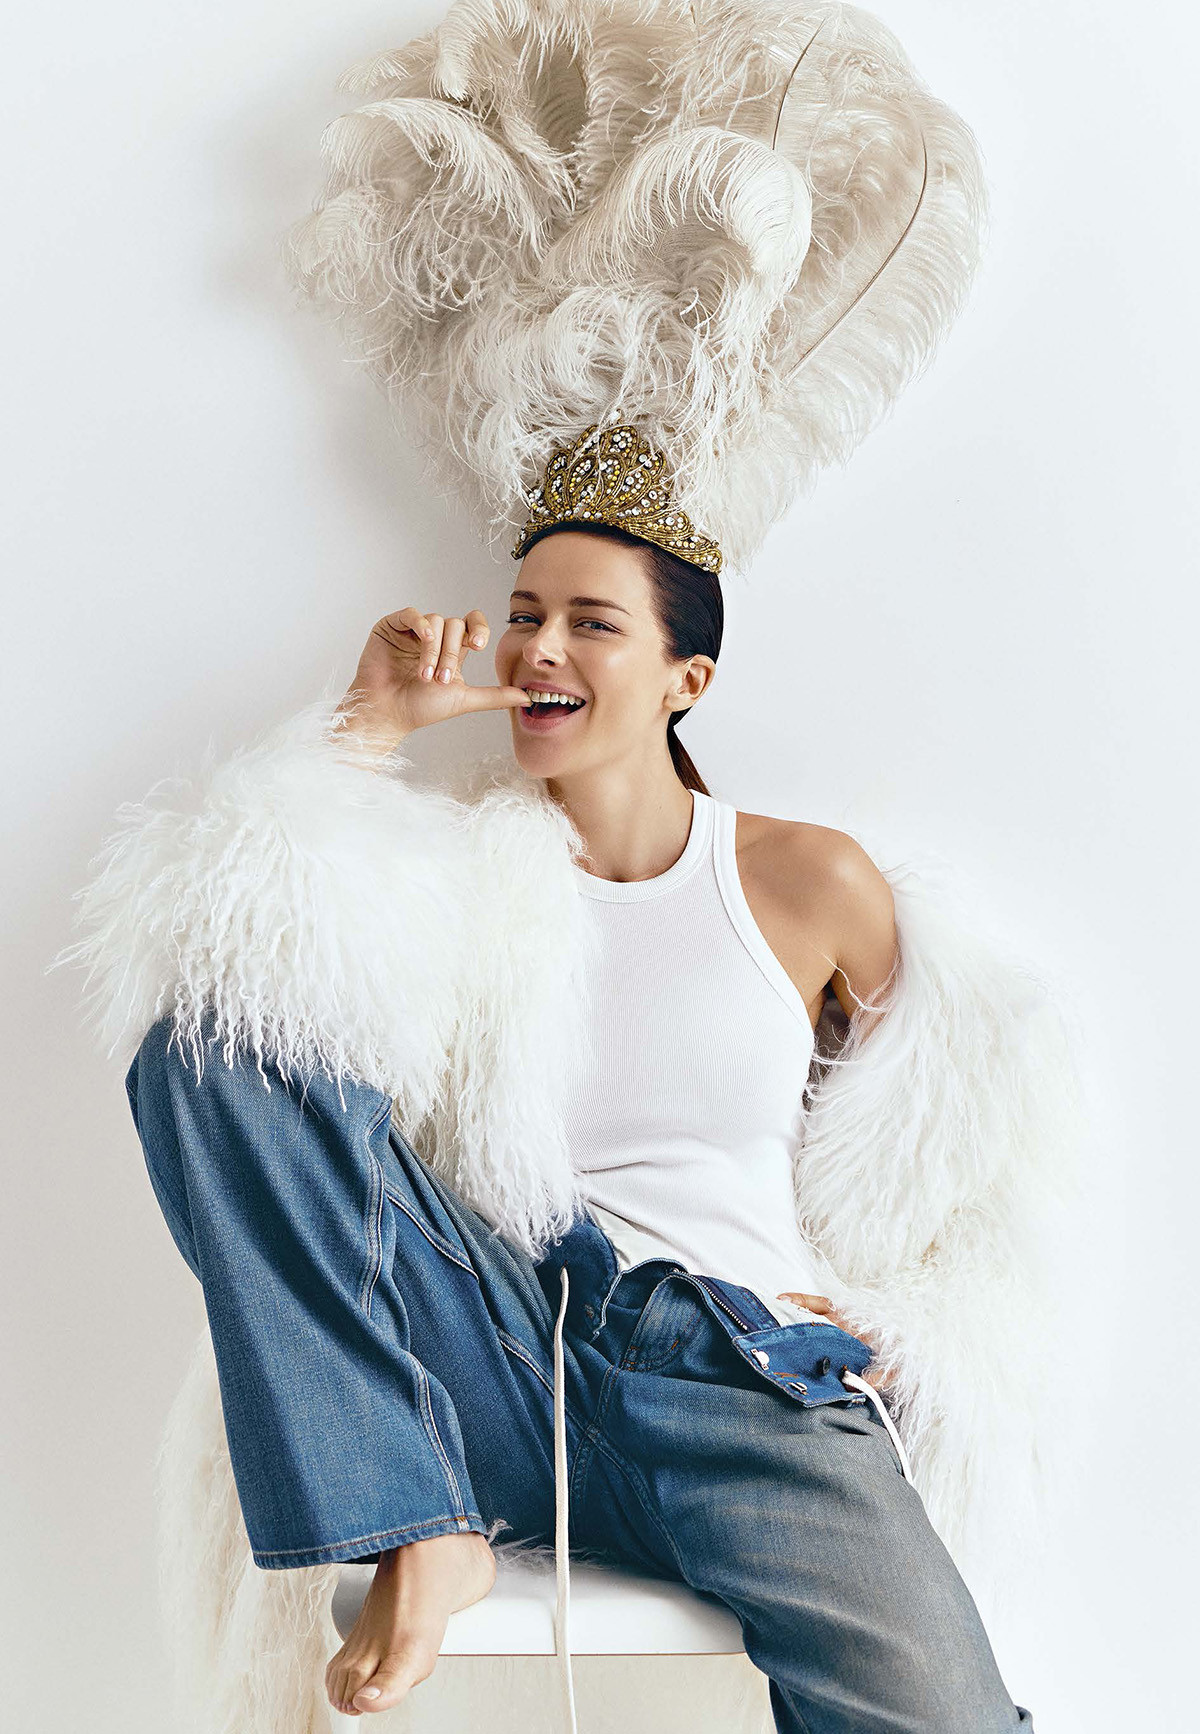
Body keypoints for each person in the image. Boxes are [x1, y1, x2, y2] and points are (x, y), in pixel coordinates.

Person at [52, 6, 1084, 1730]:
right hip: (503, 1355)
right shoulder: (460, 878)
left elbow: (974, 1181)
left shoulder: (809, 880)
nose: (537, 646)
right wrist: (364, 730)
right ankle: (417, 1516)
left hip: (739, 1379)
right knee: (206, 1048)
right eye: (524, 611)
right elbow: (244, 1026)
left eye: (590, 622)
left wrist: (916, 1330)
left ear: (687, 676)